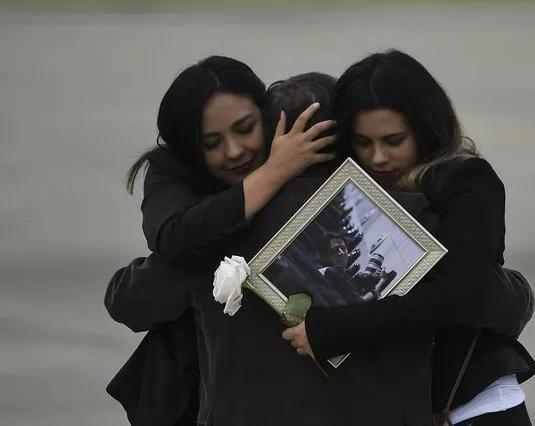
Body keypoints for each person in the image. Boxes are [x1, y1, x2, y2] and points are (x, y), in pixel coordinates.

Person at [107, 72, 440, 426]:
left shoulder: (210, 233)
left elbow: (126, 301)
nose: (235, 151)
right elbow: (492, 299)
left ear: (270, 135)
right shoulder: (414, 220)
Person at [282, 50, 535, 426]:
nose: (379, 157)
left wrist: (336, 330)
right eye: (363, 143)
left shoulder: (467, 182)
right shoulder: (346, 190)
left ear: (426, 128)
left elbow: (455, 295)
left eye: (394, 140)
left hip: (466, 403)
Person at [106, 56, 338, 426]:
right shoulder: (173, 173)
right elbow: (175, 239)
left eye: (245, 129)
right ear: (189, 149)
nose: (234, 151)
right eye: (212, 143)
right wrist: (273, 172)